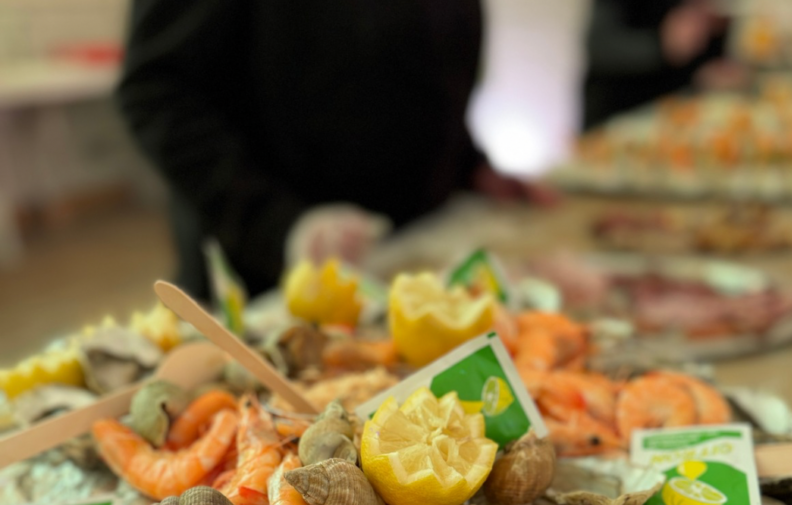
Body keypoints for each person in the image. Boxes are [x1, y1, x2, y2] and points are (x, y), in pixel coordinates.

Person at [117, 0, 549, 300]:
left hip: (416, 253)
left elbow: (422, 58)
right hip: (267, 278)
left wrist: (466, 165)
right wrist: (278, 226)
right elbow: (156, 87)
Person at [583, 0, 736, 130]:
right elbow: (598, 46)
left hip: (681, 118)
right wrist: (660, 46)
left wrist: (712, 68)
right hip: (618, 121)